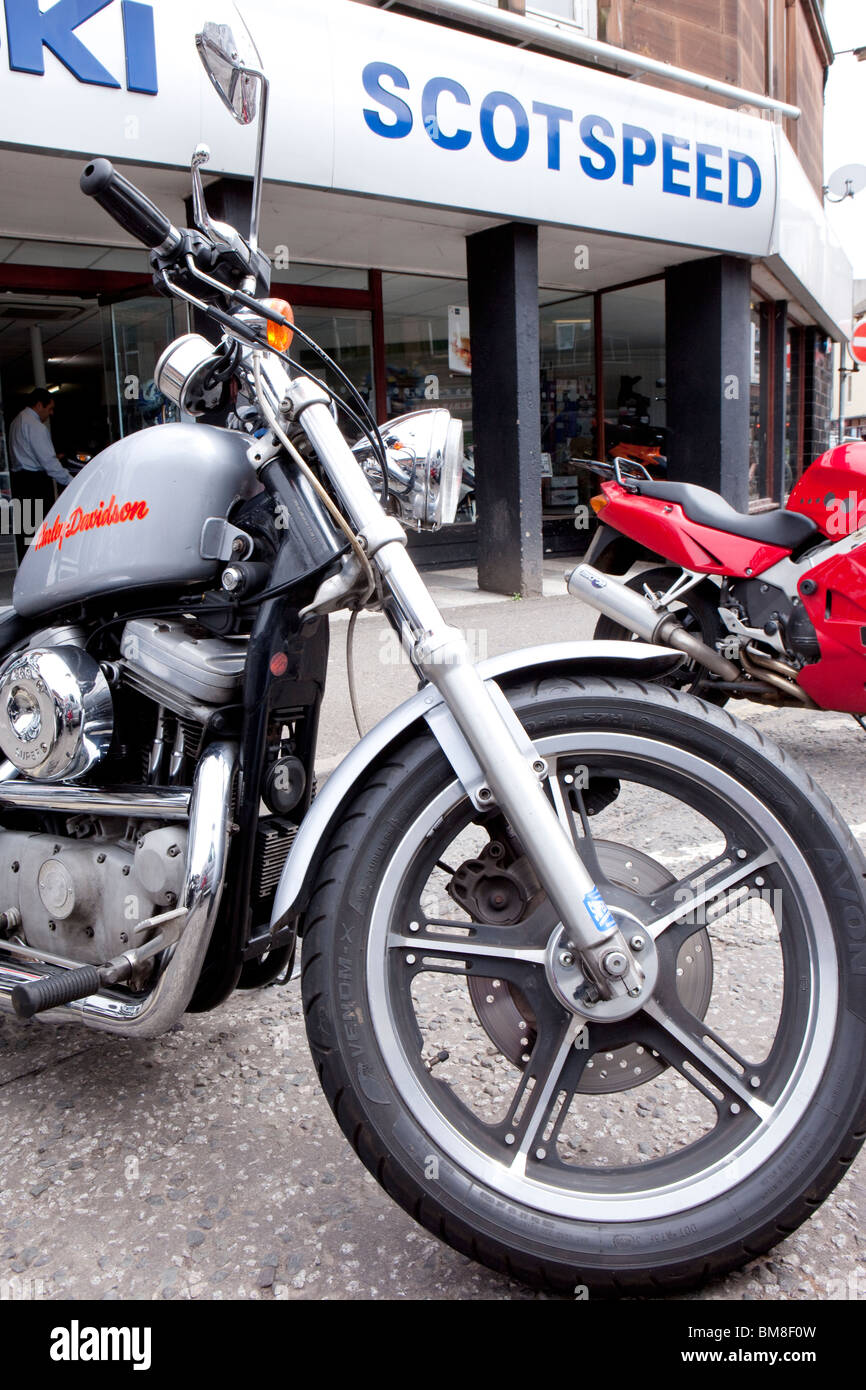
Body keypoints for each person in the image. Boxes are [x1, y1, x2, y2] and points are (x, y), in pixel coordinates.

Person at [7, 388, 72, 562]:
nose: (50, 414)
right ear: (38, 405)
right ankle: (40, 568)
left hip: (19, 481)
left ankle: (26, 568)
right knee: (41, 534)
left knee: (26, 533)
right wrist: (70, 481)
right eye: (49, 408)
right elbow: (49, 463)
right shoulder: (36, 427)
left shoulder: (16, 421)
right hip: (35, 483)